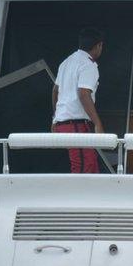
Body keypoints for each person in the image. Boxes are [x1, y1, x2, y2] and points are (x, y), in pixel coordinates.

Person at [52, 28, 106, 173]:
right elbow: (83, 94)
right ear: (98, 45)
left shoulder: (66, 62)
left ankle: (91, 196)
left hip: (64, 123)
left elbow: (55, 91)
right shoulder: (88, 65)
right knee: (84, 168)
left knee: (91, 166)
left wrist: (55, 118)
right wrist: (98, 123)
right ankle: (78, 196)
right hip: (75, 124)